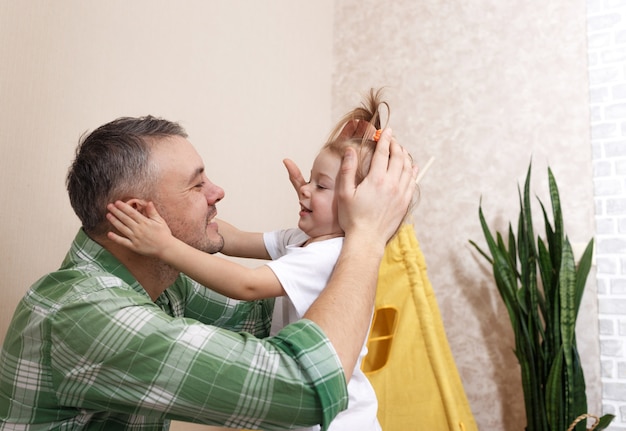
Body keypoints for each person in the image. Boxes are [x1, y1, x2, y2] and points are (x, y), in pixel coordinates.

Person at [0, 113, 417, 430]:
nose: (218, 192)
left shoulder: (162, 282)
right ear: (134, 213)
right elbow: (306, 388)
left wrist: (331, 222)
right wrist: (364, 236)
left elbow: (266, 318)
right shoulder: (87, 314)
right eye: (197, 185)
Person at [105, 90, 400, 431]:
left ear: (357, 204)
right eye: (309, 179)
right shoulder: (303, 240)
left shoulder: (327, 255)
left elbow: (245, 284)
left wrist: (165, 245)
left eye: (321, 186)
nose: (304, 190)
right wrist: (197, 218)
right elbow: (232, 239)